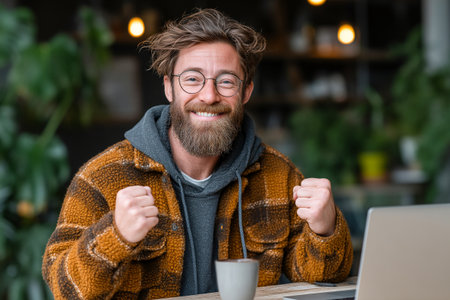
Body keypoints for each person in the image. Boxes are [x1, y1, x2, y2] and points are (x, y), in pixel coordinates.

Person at [42, 8, 353, 299]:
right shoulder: (103, 177)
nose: (208, 95)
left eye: (226, 81)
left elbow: (323, 278)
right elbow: (62, 289)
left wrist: (325, 229)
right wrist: (115, 236)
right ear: (169, 88)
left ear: (245, 92)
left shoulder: (280, 176)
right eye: (192, 79)